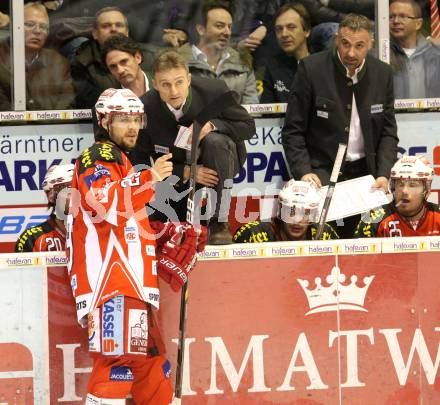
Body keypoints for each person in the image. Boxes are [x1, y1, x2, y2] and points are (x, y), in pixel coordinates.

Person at [67, 88, 205, 404]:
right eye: (122, 119)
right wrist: (150, 178)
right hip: (112, 284)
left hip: (131, 285)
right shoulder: (98, 156)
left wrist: (165, 234)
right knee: (117, 363)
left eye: (135, 119)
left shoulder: (122, 161)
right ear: (104, 121)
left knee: (151, 364)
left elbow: (126, 224)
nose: (132, 126)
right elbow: (103, 207)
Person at [281, 13, 399, 238]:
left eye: (359, 45)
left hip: (368, 175)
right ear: (337, 40)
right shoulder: (311, 69)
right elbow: (292, 131)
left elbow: (387, 133)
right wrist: (304, 172)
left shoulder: (382, 73)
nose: (351, 52)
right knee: (325, 241)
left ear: (370, 44)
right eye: (345, 44)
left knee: (369, 239)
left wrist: (384, 173)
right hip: (321, 173)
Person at [132, 50, 256, 245]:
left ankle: (219, 222)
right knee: (172, 233)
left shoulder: (214, 90)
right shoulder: (145, 107)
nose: (173, 91)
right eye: (165, 84)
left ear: (189, 79)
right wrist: (186, 172)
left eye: (179, 82)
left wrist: (212, 125)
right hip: (180, 171)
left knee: (215, 141)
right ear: (155, 84)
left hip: (223, 158)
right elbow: (138, 157)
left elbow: (248, 127)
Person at [71, 6, 156, 108]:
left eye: (119, 25)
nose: (113, 29)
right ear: (95, 33)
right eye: (106, 26)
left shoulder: (150, 56)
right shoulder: (82, 62)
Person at [177, 0, 259, 104]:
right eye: (220, 26)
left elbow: (252, 109)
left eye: (229, 27)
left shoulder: (242, 63)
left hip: (236, 120)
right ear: (201, 29)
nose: (227, 32)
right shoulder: (177, 63)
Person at [0, 2, 75, 110]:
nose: (37, 31)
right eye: (30, 24)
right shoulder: (1, 58)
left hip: (56, 126)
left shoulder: (58, 62)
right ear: (14, 26)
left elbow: (67, 108)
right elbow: (4, 114)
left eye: (43, 27)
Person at [355, 156, 440, 237]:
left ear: (426, 190)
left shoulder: (438, 215)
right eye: (400, 184)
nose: (404, 191)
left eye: (412, 185)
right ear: (393, 187)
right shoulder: (372, 219)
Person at [233, 180, 339, 242]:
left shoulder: (324, 234)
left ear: (313, 215)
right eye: (291, 212)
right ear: (281, 211)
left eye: (305, 213)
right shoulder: (253, 234)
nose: (297, 221)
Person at [15, 164, 73, 253]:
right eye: (69, 188)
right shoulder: (32, 238)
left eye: (80, 188)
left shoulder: (96, 232)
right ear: (51, 195)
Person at [260, 3, 311, 103]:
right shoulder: (272, 68)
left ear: (307, 31)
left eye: (291, 27)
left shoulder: (322, 66)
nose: (284, 34)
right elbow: (267, 114)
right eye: (279, 29)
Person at [389, 0, 440, 99]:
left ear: (418, 24)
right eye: (391, 17)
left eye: (403, 16)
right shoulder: (382, 54)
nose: (395, 21)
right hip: (394, 114)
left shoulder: (436, 54)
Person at [101, 34, 153, 98]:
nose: (120, 70)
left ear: (138, 57)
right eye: (113, 66)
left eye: (124, 61)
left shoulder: (162, 82)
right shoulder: (107, 98)